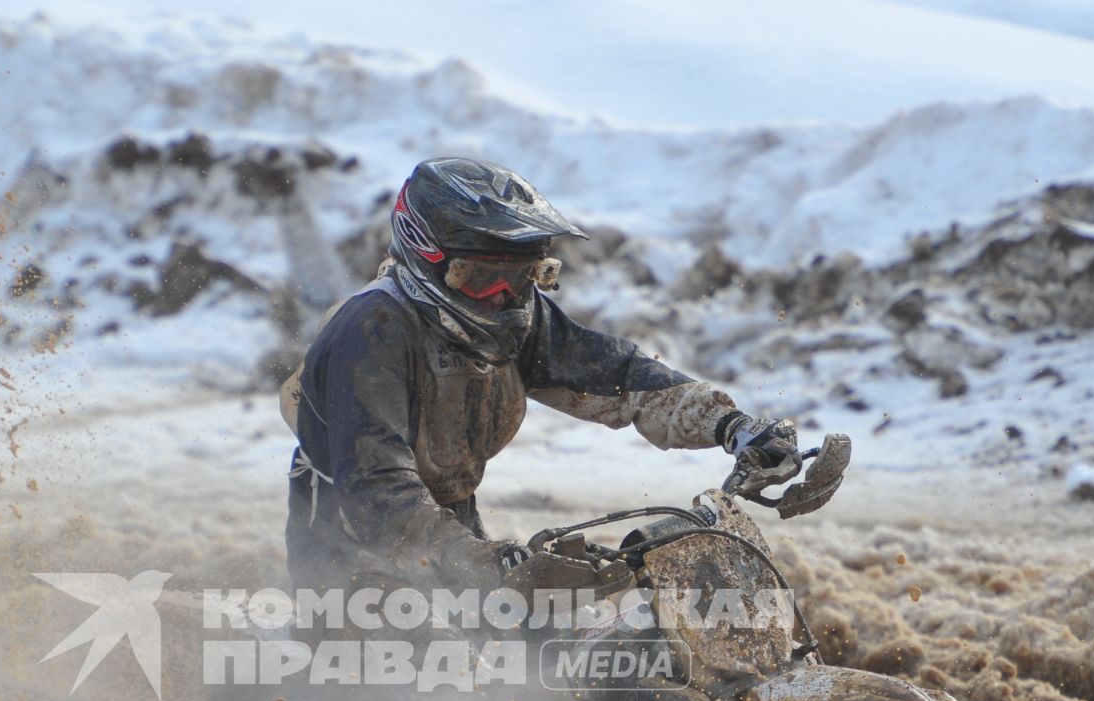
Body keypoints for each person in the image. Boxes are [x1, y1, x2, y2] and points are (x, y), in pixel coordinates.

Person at [282, 156, 837, 597]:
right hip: (351, 549)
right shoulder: (371, 331)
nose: (504, 297)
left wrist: (733, 426)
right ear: (427, 258)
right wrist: (479, 558)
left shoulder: (519, 319)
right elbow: (375, 489)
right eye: (481, 279)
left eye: (523, 276)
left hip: (449, 527)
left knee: (547, 662)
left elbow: (622, 378)